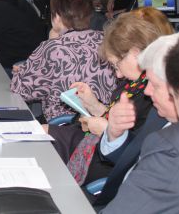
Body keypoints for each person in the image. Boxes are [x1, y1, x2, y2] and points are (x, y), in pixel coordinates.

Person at [47, 13, 164, 184]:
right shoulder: (133, 83)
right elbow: (116, 118)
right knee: (42, 135)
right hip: (97, 144)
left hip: (109, 161)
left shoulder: (155, 95)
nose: (118, 74)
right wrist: (93, 105)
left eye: (116, 65)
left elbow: (140, 151)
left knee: (45, 146)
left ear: (135, 53)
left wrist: (107, 130)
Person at [93, 33, 179, 207]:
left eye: (155, 85)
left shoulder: (172, 150)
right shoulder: (158, 114)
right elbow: (136, 156)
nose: (147, 91)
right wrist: (115, 134)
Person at [10, 0, 114, 121]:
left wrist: (21, 72)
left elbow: (19, 90)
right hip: (104, 118)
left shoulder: (52, 48)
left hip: (62, 123)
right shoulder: (108, 41)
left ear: (57, 17)